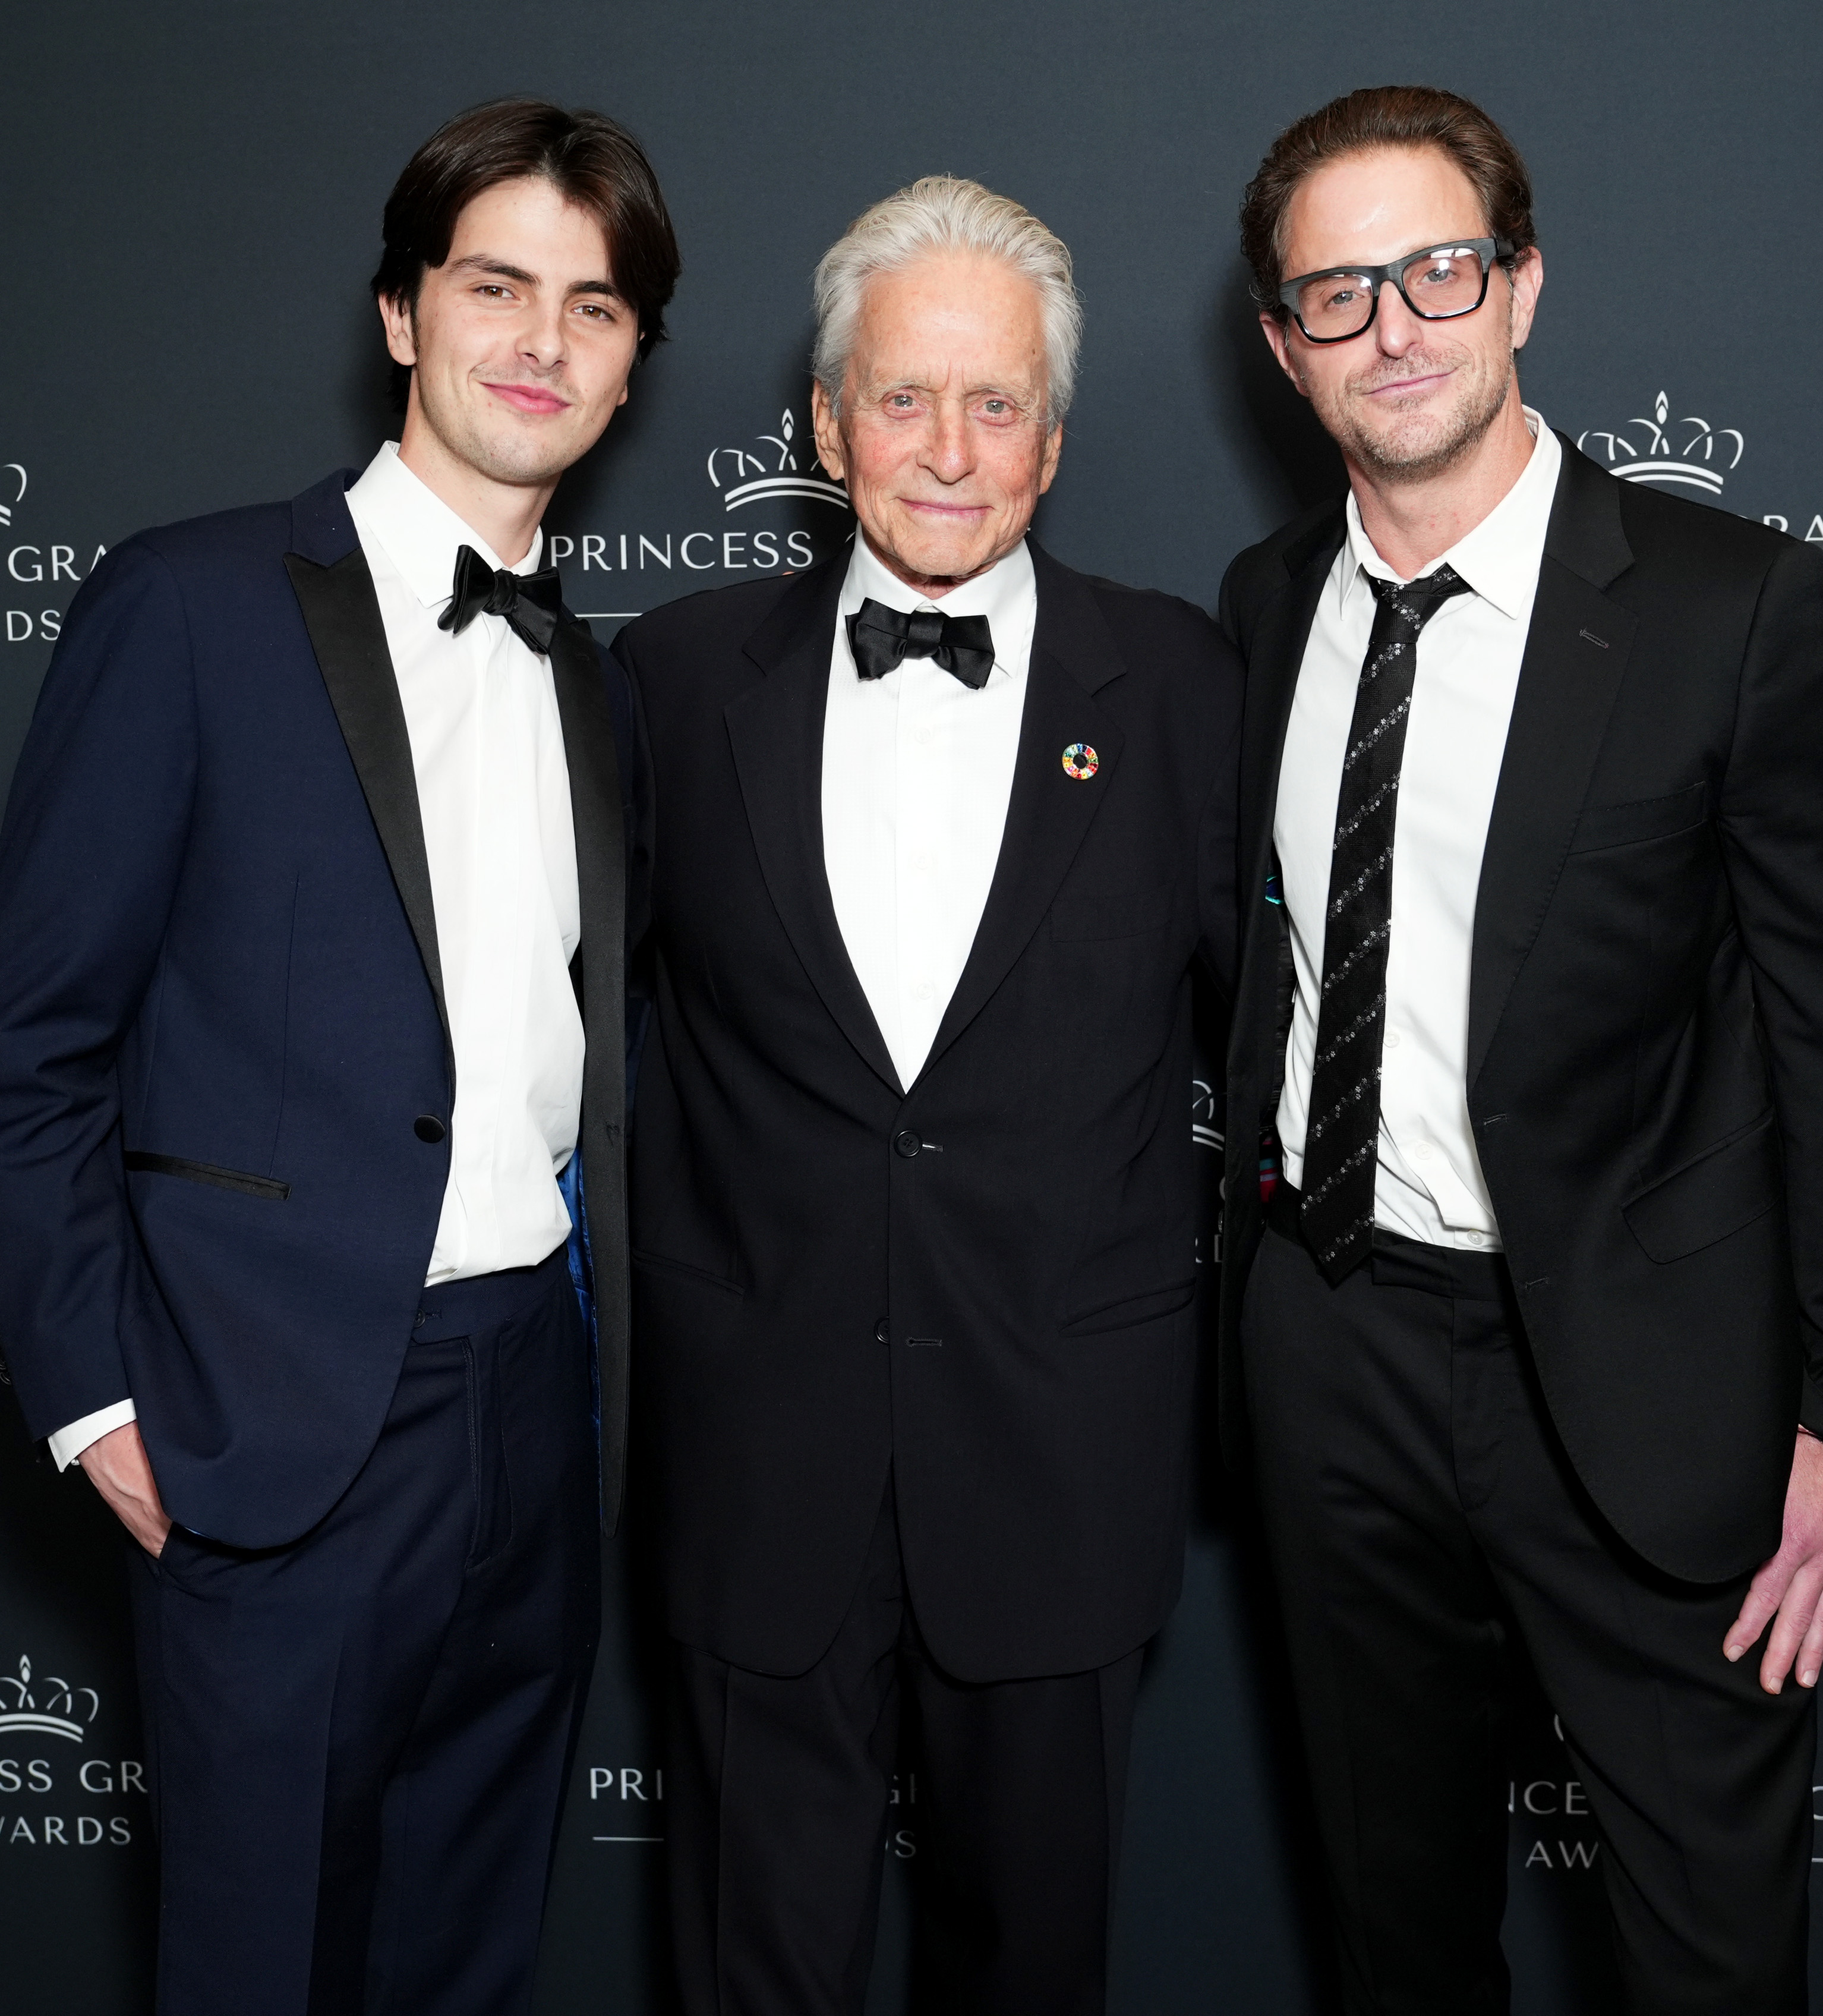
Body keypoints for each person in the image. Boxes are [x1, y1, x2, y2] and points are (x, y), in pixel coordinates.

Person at [1215, 85, 1823, 2012]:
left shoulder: (1735, 610)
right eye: (1340, 290)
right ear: (1285, 349)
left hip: (1647, 1380)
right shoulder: (1264, 605)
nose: (1398, 323)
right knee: (1397, 1932)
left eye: (1441, 268)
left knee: (1706, 1959)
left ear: (1524, 286)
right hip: (1330, 1346)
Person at [0, 98, 674, 2016]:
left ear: (628, 368)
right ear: (400, 315)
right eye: (495, 285)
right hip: (266, 1415)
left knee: (467, 1953)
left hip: (534, 1404)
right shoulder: (185, 606)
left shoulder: (595, 679)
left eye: (593, 308)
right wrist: (101, 1406)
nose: (541, 339)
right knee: (261, 1969)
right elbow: (31, 1056)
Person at [610, 177, 1239, 2016]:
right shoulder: (670, 679)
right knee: (753, 1975)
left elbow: (1287, 1048)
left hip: (1063, 1458)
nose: (948, 452)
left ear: (1052, 439)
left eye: (995, 406)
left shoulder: (1192, 683)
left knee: (1032, 1975)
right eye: (903, 399)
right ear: (826, 424)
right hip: (757, 1459)